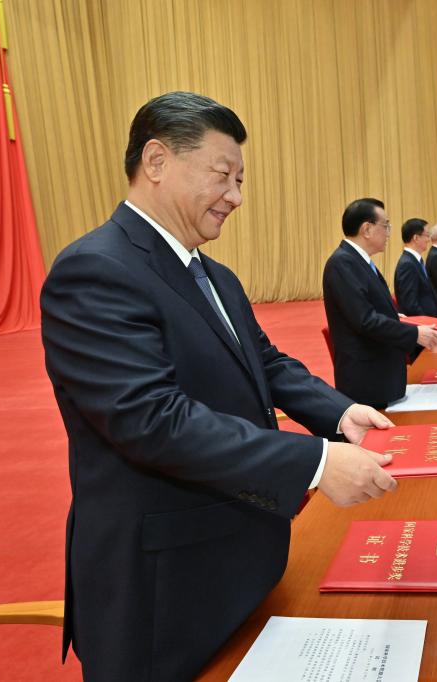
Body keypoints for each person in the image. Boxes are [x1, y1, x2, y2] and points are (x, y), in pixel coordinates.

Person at [40, 92, 401, 681]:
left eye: (240, 180)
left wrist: (339, 414)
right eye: (223, 175)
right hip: (163, 586)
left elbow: (266, 363)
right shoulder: (95, 270)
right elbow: (152, 421)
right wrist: (314, 463)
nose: (236, 197)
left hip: (240, 556)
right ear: (157, 161)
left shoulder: (214, 274)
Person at [323, 199, 437, 408]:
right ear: (367, 229)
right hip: (367, 381)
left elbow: (366, 308)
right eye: (386, 226)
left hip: (381, 375)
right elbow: (365, 320)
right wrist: (415, 334)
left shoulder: (358, 261)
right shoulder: (342, 263)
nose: (389, 233)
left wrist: (396, 317)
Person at [394, 218, 437, 318]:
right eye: (427, 235)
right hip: (423, 323)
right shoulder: (407, 264)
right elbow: (410, 304)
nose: (429, 239)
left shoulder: (415, 260)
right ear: (416, 238)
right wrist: (427, 322)